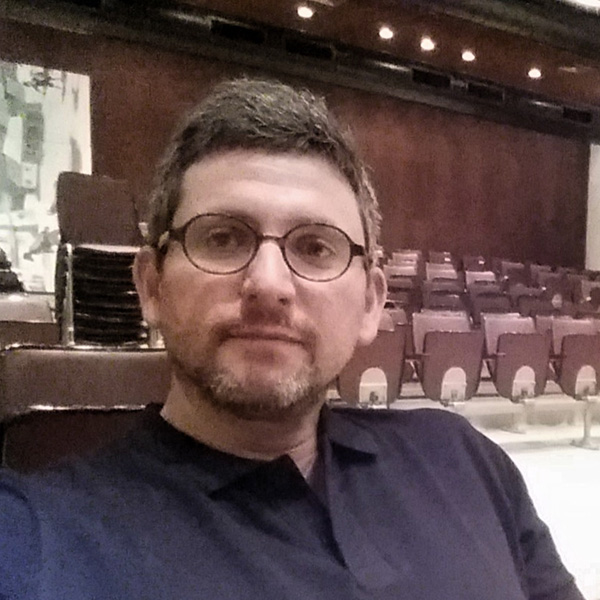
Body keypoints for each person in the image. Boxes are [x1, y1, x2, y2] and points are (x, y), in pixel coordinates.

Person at [0, 78, 584, 600]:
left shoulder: (465, 459)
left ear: (371, 302)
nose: (269, 285)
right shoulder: (37, 537)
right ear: (152, 286)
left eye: (315, 247)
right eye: (223, 238)